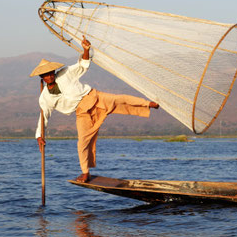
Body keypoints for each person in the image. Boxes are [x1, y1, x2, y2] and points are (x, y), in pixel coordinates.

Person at [31, 36, 159, 183]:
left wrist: (86, 50)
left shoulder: (65, 73)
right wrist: (39, 136)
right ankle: (86, 173)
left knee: (119, 100)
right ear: (42, 77)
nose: (49, 76)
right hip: (82, 112)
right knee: (82, 143)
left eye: (50, 72)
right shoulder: (45, 97)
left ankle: (148, 104)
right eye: (45, 75)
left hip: (93, 96)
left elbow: (83, 64)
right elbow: (44, 116)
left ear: (54, 72)